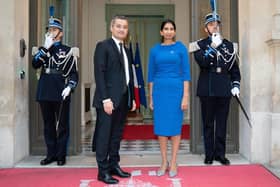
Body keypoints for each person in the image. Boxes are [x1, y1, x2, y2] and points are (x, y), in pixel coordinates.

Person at [189, 13, 241, 165]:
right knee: (208, 123)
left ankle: (220, 154)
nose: (214, 26)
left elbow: (234, 69)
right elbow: (203, 62)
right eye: (211, 24)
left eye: (216, 24)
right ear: (206, 28)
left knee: (222, 123)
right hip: (208, 88)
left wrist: (236, 85)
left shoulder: (229, 45)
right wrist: (213, 46)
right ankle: (209, 154)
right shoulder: (200, 45)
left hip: (224, 88)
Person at [92, 15, 136, 185]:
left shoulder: (126, 49)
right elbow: (99, 74)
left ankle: (113, 165)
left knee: (116, 135)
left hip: (123, 100)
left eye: (124, 27)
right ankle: (102, 171)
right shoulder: (103, 46)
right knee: (104, 136)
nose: (121, 29)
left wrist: (131, 98)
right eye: (118, 26)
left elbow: (128, 76)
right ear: (111, 28)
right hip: (108, 101)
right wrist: (105, 99)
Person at [32, 16, 79, 166]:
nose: (51, 32)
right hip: (45, 89)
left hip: (61, 89)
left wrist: (70, 86)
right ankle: (50, 154)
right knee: (48, 124)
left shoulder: (67, 50)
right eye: (49, 29)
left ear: (61, 33)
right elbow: (35, 64)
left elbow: (74, 73)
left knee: (63, 125)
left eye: (54, 29)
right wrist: (45, 48)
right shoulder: (43, 49)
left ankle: (61, 155)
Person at [148, 19, 191, 178]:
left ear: (174, 31)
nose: (168, 31)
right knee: (161, 128)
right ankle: (164, 161)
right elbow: (151, 75)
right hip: (159, 92)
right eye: (165, 29)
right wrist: (151, 97)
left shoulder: (181, 48)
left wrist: (185, 96)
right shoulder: (154, 51)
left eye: (171, 28)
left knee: (174, 128)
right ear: (161, 32)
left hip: (176, 91)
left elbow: (186, 74)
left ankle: (173, 161)